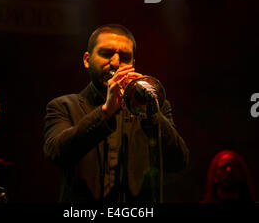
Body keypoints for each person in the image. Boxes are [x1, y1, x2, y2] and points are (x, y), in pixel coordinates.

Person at [44, 24, 189, 203]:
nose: (115, 62)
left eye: (125, 57)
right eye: (106, 54)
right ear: (87, 60)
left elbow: (178, 161)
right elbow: (56, 153)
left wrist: (150, 112)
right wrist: (105, 112)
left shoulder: (154, 107)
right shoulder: (63, 106)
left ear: (133, 65)